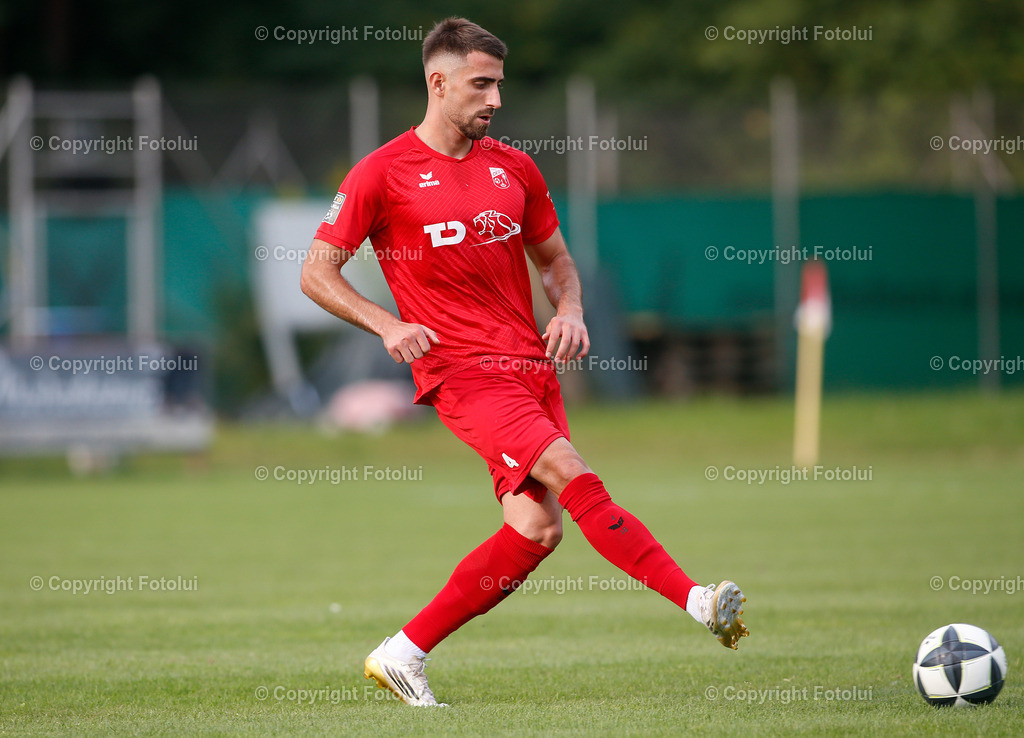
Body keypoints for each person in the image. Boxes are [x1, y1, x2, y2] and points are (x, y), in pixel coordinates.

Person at [300, 17, 747, 707]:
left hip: (531, 368)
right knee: (572, 473)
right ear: (438, 82)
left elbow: (557, 262)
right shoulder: (381, 175)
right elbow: (317, 272)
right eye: (481, 84)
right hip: (463, 374)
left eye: (499, 84)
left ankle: (404, 652)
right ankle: (695, 599)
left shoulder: (515, 168)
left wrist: (568, 310)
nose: (495, 100)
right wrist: (386, 324)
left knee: (536, 529)